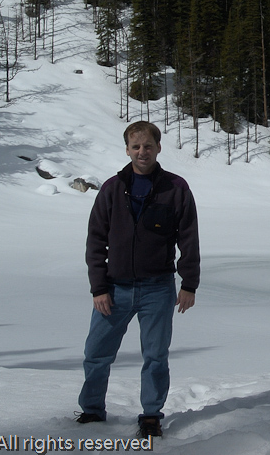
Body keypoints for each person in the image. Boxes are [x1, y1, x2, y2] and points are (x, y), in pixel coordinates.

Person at [76, 121, 200, 438]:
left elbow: (189, 239)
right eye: (136, 146)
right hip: (114, 289)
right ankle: (91, 410)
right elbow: (95, 241)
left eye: (147, 146)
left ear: (158, 148)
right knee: (96, 354)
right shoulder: (112, 189)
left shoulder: (176, 188)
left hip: (157, 289)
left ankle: (150, 415)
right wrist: (98, 287)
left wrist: (189, 284)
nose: (142, 152)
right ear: (128, 149)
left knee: (155, 357)